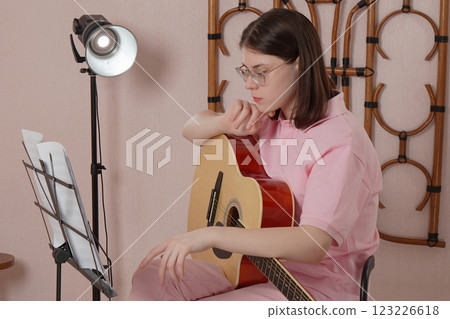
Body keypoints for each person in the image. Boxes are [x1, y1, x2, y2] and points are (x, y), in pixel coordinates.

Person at [128, 8, 382, 301]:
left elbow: (313, 244)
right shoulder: (271, 116)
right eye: (246, 72)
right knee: (153, 278)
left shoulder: (341, 139)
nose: (249, 84)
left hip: (311, 289)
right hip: (253, 268)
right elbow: (191, 128)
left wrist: (211, 234)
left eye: (261, 72)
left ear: (300, 64)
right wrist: (224, 123)